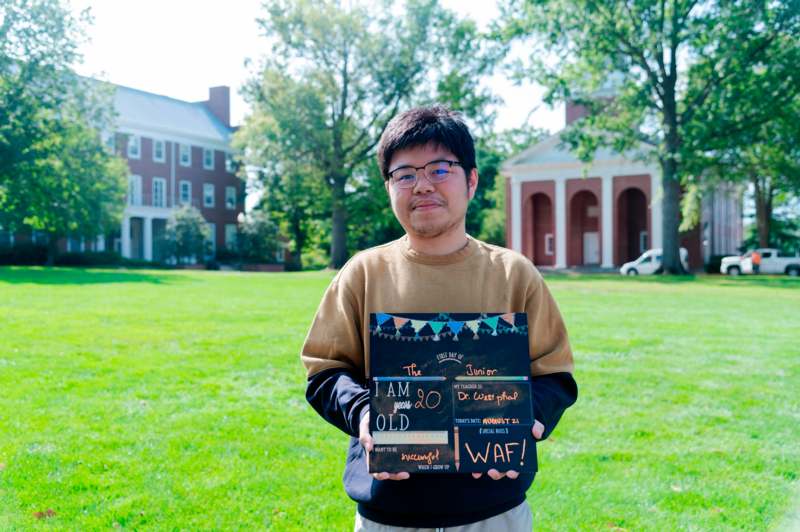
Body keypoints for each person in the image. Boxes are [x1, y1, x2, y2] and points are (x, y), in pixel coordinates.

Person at [301, 106, 578, 531]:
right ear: (388, 187)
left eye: (439, 169)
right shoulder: (363, 273)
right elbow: (325, 372)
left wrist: (526, 419)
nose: (422, 185)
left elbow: (554, 375)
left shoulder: (513, 273)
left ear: (471, 180)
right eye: (405, 174)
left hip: (493, 508)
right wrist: (364, 413)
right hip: (389, 510)